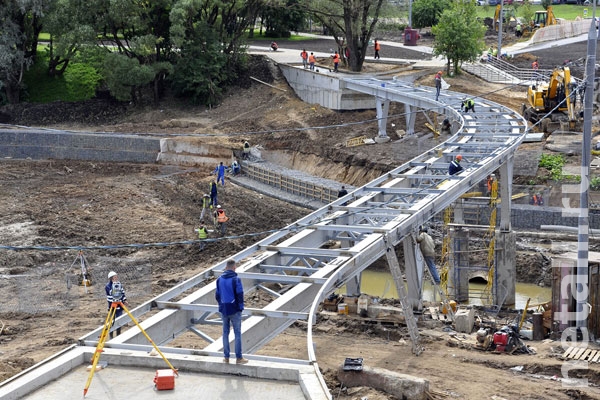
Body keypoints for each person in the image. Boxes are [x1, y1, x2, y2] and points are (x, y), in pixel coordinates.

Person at [215, 259, 247, 364]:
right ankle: (239, 358)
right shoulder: (236, 279)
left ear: (225, 267)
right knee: (237, 333)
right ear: (234, 268)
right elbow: (240, 294)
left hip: (224, 309)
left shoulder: (219, 279)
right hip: (235, 310)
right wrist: (240, 307)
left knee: (225, 333)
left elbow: (217, 295)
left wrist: (221, 306)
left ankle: (226, 357)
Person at [105, 271, 128, 339]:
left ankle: (118, 335)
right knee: (111, 321)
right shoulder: (108, 286)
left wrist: (124, 300)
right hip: (112, 306)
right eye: (115, 277)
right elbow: (111, 295)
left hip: (119, 306)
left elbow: (122, 292)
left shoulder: (119, 284)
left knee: (119, 321)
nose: (116, 278)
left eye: (116, 276)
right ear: (111, 278)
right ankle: (111, 336)